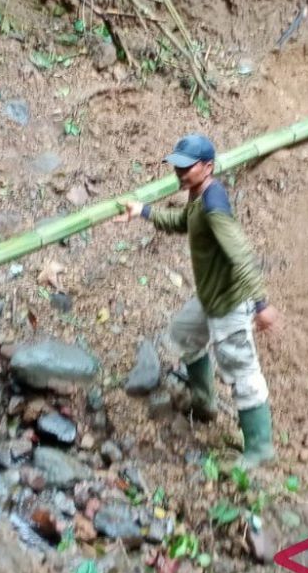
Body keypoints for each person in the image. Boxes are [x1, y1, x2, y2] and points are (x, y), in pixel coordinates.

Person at [118, 133, 283, 467]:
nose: (179, 173)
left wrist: (262, 304)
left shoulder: (214, 205)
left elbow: (241, 254)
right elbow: (183, 223)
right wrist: (144, 212)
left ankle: (260, 449)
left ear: (207, 167)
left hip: (230, 302)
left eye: (186, 168)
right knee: (182, 336)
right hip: (208, 298)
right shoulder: (196, 196)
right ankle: (204, 401)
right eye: (176, 167)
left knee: (241, 371)